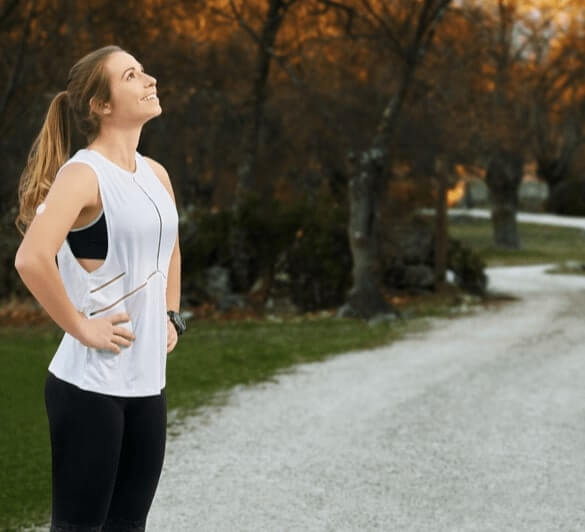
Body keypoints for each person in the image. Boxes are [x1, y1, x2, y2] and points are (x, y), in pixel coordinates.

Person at [14, 45, 186, 532]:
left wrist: (172, 314)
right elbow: (31, 257)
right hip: (89, 388)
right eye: (132, 75)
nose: (149, 79)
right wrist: (82, 328)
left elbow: (170, 249)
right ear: (102, 105)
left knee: (128, 525)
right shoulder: (83, 174)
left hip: (147, 383)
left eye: (143, 69)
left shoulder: (156, 174)